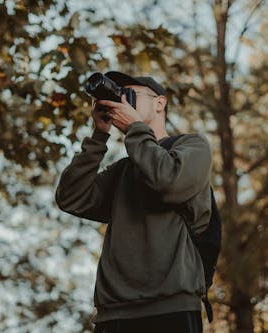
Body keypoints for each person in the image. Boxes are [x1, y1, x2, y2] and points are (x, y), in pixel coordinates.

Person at [55, 71, 212, 333]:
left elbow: (168, 181)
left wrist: (135, 129)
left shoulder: (193, 147)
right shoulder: (123, 170)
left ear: (159, 103)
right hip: (113, 313)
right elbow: (71, 197)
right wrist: (99, 135)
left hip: (171, 307)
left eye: (129, 96)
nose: (122, 104)